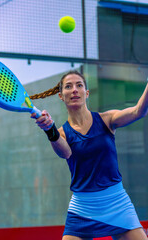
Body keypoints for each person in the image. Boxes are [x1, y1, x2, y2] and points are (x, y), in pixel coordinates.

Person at [30, 70, 148, 240]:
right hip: (83, 209)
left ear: (86, 93)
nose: (74, 90)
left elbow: (139, 111)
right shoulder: (61, 133)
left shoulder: (107, 119)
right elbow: (65, 153)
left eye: (79, 85)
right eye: (68, 87)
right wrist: (50, 130)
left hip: (117, 203)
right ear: (61, 96)